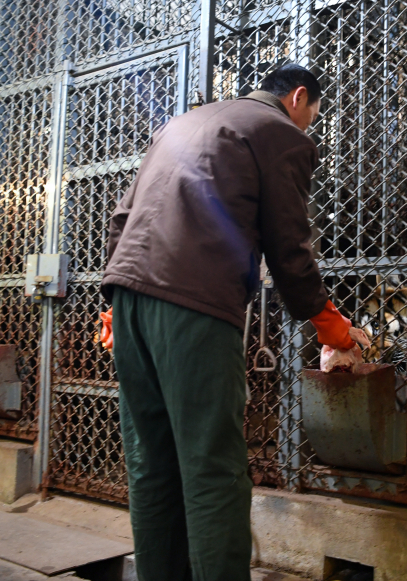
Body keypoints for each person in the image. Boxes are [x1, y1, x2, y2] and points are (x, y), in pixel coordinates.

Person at [99, 63, 368, 581]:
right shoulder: (278, 133)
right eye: (313, 113)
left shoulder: (182, 123)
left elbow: (120, 220)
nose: (309, 125)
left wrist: (113, 306)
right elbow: (289, 245)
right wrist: (331, 326)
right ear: (298, 98)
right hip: (193, 303)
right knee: (213, 467)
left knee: (152, 464)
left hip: (128, 301)